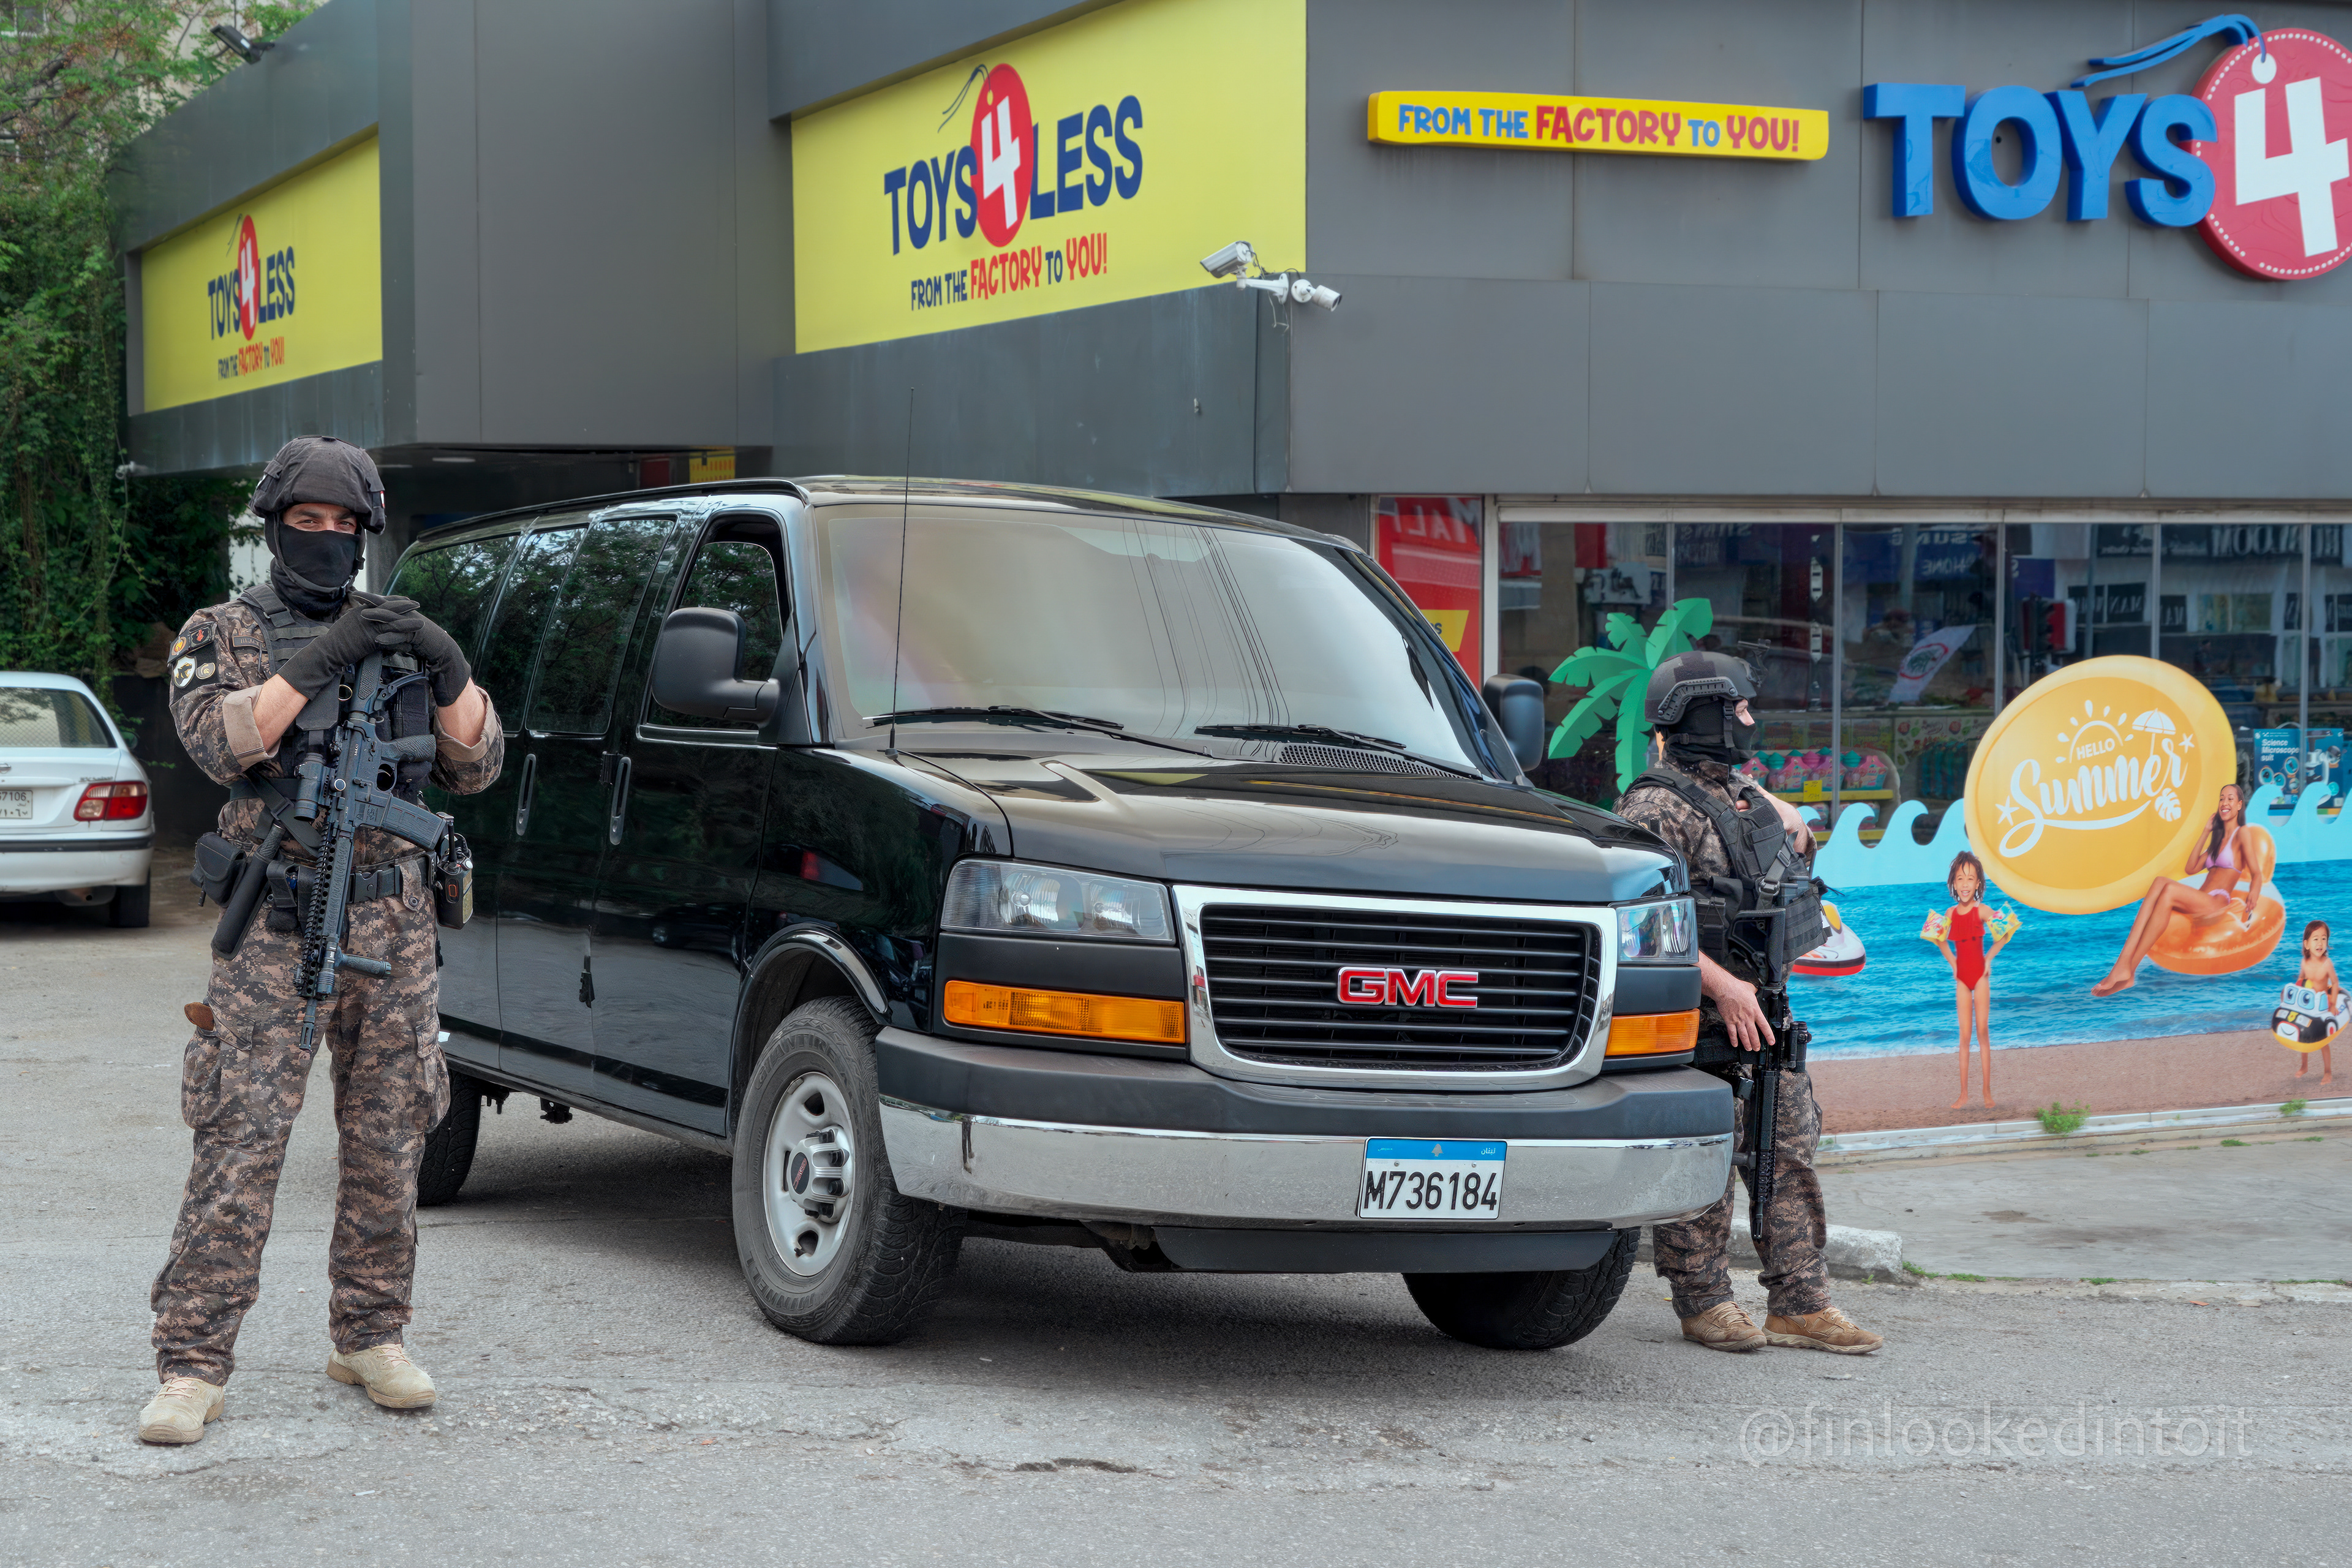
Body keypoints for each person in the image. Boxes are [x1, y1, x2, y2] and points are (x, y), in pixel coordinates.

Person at [137, 437, 505, 1446]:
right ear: (275, 526)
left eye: (346, 528)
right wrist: (321, 660)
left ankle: (370, 1333)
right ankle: (192, 1361)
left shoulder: (395, 632)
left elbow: (477, 761)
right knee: (241, 1144)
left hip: (399, 922)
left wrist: (444, 661)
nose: (329, 540)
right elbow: (223, 742)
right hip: (276, 926)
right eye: (310, 523)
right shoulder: (220, 632)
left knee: (392, 1141)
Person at [1615, 652, 1883, 1357]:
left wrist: (1785, 813)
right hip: (1701, 1022)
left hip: (1765, 1015)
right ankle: (1704, 1300)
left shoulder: (1741, 792)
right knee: (1705, 1164)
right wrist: (1723, 986)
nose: (1750, 722)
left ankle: (1801, 1302)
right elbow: (1648, 922)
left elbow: (1795, 849)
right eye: (1738, 710)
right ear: (1702, 712)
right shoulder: (1652, 807)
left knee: (1788, 1149)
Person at [2091, 782, 2253, 997]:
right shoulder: (2218, 841)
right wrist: (2206, 831)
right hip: (2202, 899)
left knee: (2165, 889)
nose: (2225, 802)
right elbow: (2191, 867)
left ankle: (2123, 966)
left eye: (2230, 799)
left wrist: (2254, 895)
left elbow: (2257, 872)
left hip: (2217, 902)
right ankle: (2127, 972)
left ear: (2240, 805)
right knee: (2160, 883)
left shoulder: (2242, 834)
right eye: (2222, 798)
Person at [1923, 851, 2016, 1110]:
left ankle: (1987, 1092)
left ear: (1978, 883)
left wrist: (1988, 960)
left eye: (1970, 879)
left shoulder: (1984, 910)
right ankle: (1963, 1094)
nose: (1965, 884)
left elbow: (2005, 933)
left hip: (1981, 977)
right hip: (1962, 979)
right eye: (1960, 879)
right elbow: (1938, 938)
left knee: (1983, 1035)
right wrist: (1953, 964)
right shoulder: (1950, 912)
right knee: (1965, 1037)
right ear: (1954, 882)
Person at [2294, 920, 2337, 1087]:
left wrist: (2333, 1003)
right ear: (2306, 944)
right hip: (2307, 1005)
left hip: (2322, 1005)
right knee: (2303, 1037)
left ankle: (2328, 1072)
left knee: (2322, 1041)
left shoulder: (2327, 964)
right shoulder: (2304, 963)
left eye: (2324, 939)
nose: (2320, 943)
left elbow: (2335, 983)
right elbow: (2301, 979)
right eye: (2315, 939)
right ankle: (2304, 1066)